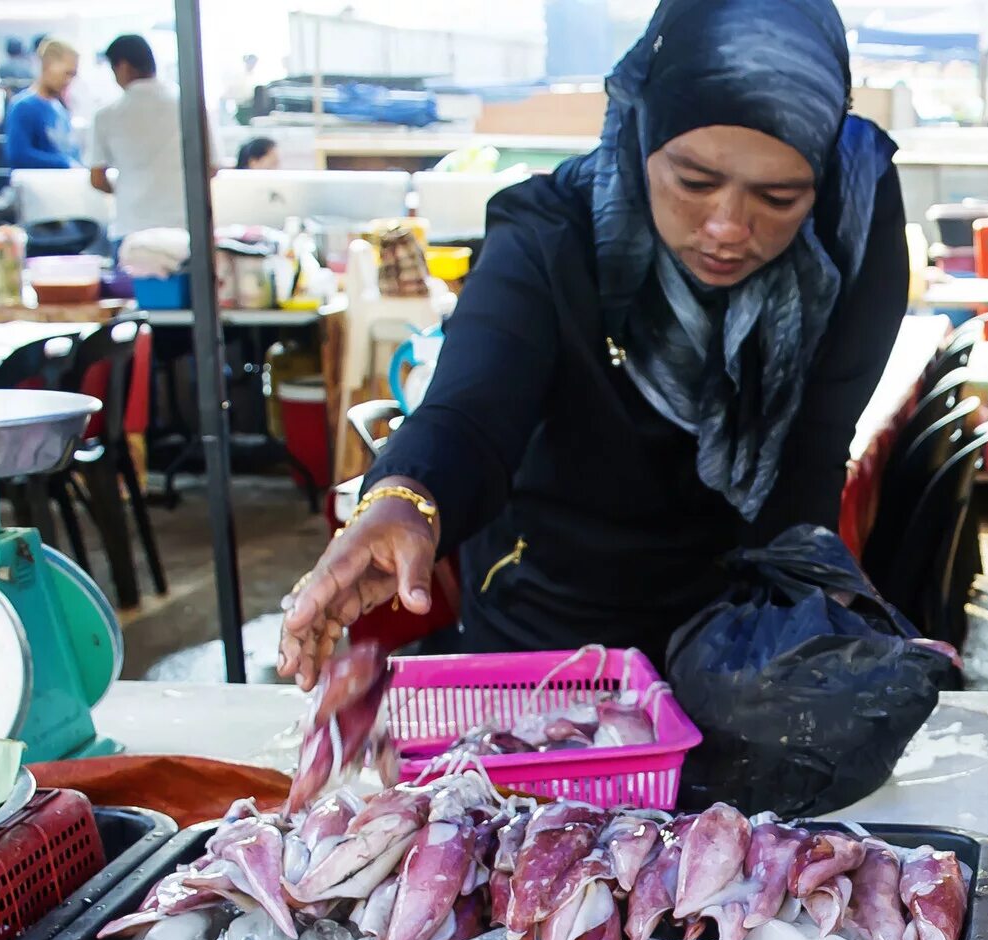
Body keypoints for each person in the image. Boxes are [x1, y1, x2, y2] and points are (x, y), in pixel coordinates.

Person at [276, 0, 907, 685]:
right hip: (550, 633)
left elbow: (813, 445)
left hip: (733, 631)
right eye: (694, 181)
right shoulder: (550, 235)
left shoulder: (851, 225)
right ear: (643, 134)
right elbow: (470, 411)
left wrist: (798, 619)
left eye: (779, 198)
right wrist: (405, 498)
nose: (727, 227)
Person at [89, 35, 205, 236]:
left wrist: (131, 190)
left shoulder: (107, 115)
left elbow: (97, 179)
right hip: (185, 228)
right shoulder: (190, 105)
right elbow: (211, 166)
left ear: (123, 67)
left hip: (131, 228)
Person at [0, 37, 78, 170]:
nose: (68, 81)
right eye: (66, 73)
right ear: (48, 65)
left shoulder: (59, 107)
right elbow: (18, 155)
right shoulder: (24, 107)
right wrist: (65, 164)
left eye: (73, 75)